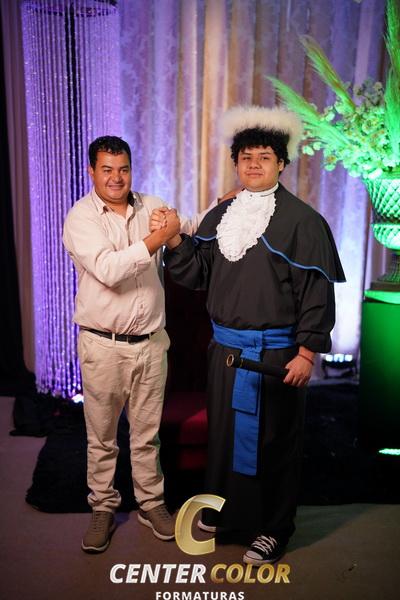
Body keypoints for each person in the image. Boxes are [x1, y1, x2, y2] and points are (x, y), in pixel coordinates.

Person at [162, 106, 346, 565]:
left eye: (264, 157)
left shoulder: (304, 221)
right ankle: (229, 514)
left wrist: (307, 353)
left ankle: (274, 527)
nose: (254, 165)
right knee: (225, 436)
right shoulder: (221, 214)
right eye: (246, 157)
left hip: (276, 354)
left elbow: (316, 292)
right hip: (224, 351)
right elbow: (196, 273)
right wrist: (174, 239)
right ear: (236, 163)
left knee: (274, 440)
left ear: (281, 162)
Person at [63, 135, 210, 553]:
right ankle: (103, 507)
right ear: (91, 172)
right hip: (103, 345)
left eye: (123, 169)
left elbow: (187, 225)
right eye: (107, 169)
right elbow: (110, 270)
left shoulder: (151, 205)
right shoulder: (80, 218)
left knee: (147, 436)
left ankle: (151, 503)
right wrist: (157, 238)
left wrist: (226, 203)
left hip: (151, 343)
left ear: (131, 169)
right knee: (102, 438)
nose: (116, 177)